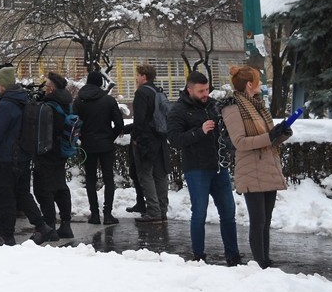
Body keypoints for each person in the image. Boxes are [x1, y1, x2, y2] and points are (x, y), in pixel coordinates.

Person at [167, 71, 241, 266]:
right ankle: (198, 256)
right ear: (189, 89)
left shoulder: (212, 105)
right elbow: (174, 140)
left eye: (207, 89)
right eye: (201, 91)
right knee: (199, 213)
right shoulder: (179, 110)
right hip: (196, 168)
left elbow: (223, 133)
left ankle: (233, 256)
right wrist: (199, 132)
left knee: (228, 212)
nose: (205, 94)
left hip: (219, 166)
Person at [221, 65, 290, 269]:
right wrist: (270, 136)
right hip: (251, 170)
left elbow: (268, 139)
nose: (261, 84)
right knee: (258, 221)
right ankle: (260, 264)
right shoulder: (233, 108)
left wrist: (281, 133)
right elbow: (239, 142)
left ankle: (265, 260)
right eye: (258, 80)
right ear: (250, 84)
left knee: (266, 221)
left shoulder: (258, 106)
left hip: (268, 167)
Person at [0, 66, 50, 246]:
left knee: (4, 197)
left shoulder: (5, 105)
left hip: (7, 157)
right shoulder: (23, 100)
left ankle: (6, 235)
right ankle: (41, 226)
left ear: (3, 85)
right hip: (22, 156)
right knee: (22, 194)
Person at [73, 68, 124, 225]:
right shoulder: (108, 100)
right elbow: (119, 124)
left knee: (90, 179)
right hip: (106, 145)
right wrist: (110, 137)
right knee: (108, 179)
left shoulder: (79, 100)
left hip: (87, 145)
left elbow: (74, 124)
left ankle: (94, 214)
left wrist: (81, 138)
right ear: (101, 83)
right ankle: (107, 214)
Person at [32, 72, 74, 239]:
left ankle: (49, 226)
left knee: (44, 189)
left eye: (46, 85)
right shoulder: (66, 101)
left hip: (48, 151)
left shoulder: (49, 105)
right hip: (62, 150)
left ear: (51, 88)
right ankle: (66, 224)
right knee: (61, 187)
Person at [131, 63, 169, 224]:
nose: (136, 78)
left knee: (145, 175)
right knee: (160, 176)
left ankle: (153, 211)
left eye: (138, 75)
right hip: (160, 138)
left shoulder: (141, 93)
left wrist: (135, 137)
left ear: (144, 77)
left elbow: (139, 120)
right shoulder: (159, 91)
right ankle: (162, 210)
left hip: (146, 140)